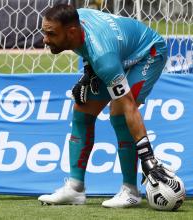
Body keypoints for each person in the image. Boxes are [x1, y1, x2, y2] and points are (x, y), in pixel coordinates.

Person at [38, 4, 173, 208]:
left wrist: (148, 157)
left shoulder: (103, 58)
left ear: (72, 31)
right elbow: (91, 45)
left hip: (148, 53)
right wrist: (88, 71)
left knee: (119, 113)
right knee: (82, 110)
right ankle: (75, 188)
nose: (45, 40)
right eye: (44, 32)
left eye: (51, 34)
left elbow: (129, 107)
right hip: (116, 53)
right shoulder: (76, 23)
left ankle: (131, 191)